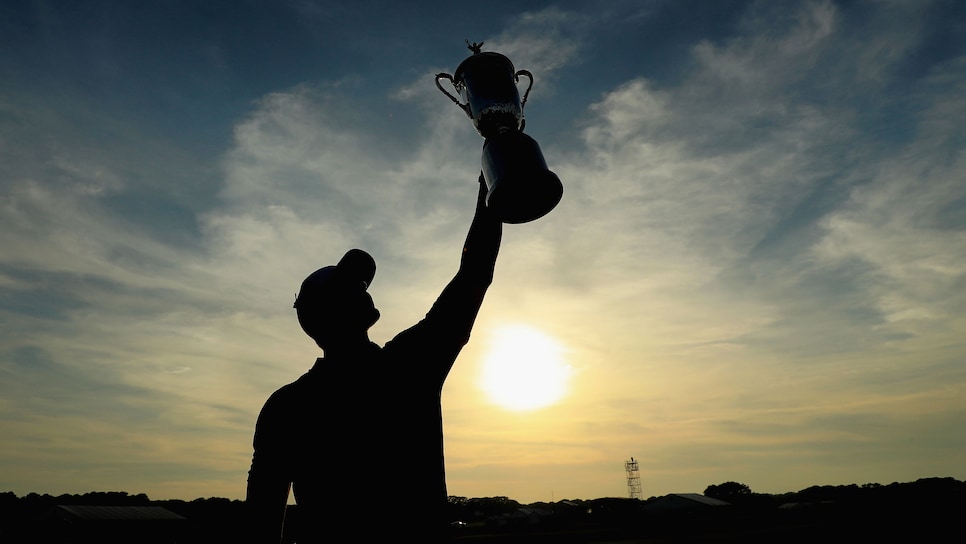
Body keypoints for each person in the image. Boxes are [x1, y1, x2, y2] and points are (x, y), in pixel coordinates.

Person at [246, 174, 502, 543]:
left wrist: (493, 181)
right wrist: (491, 184)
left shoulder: (285, 405)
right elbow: (262, 521)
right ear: (324, 314)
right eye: (348, 286)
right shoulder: (407, 366)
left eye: (361, 284)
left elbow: (474, 275)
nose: (362, 288)